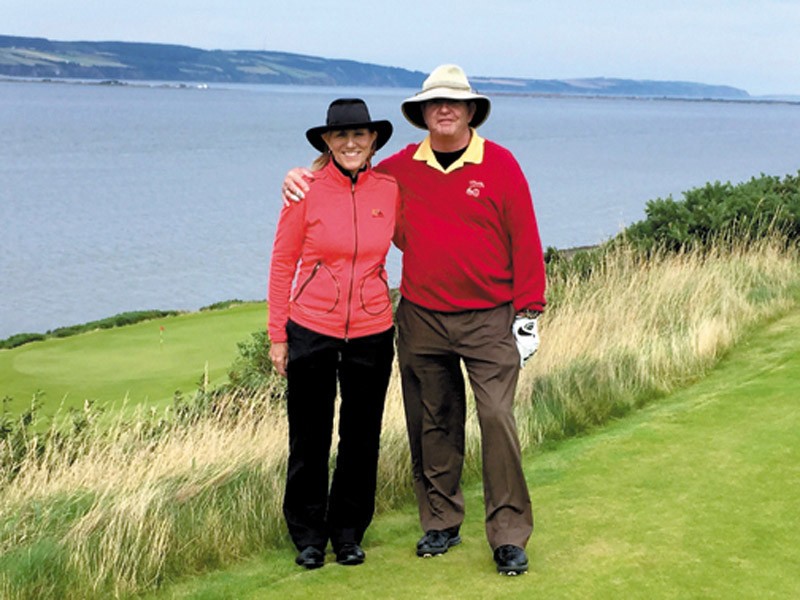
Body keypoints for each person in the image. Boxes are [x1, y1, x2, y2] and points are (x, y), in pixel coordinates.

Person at [281, 65, 546, 575]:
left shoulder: (501, 164)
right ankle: (441, 522)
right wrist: (299, 174)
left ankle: (509, 533)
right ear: (422, 114)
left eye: (455, 102)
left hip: (489, 317)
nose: (444, 110)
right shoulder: (401, 167)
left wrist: (529, 310)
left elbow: (525, 238)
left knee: (496, 417)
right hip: (422, 316)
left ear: (470, 110)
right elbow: (351, 177)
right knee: (433, 423)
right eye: (434, 103)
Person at [268, 98, 399, 570]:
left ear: (373, 141)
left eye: (360, 135)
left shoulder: (389, 189)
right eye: (341, 136)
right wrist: (277, 335)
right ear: (327, 142)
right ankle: (307, 535)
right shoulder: (303, 191)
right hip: (311, 329)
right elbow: (283, 263)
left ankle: (348, 533)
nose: (350, 143)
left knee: (362, 438)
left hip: (373, 330)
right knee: (310, 437)